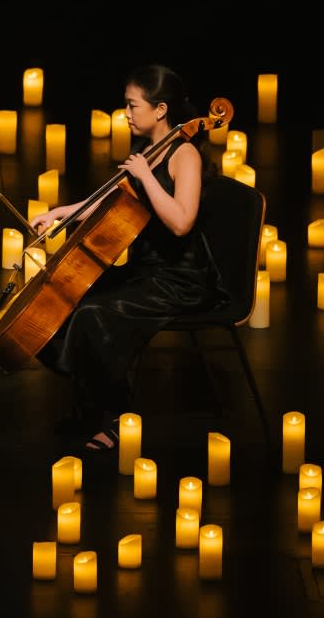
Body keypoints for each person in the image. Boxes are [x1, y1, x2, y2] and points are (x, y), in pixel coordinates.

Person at [30, 63, 222, 455]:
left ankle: (115, 419)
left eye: (134, 106)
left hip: (180, 279)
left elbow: (182, 223)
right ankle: (92, 406)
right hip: (146, 271)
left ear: (161, 110)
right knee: (68, 299)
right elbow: (110, 199)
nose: (127, 113)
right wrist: (60, 213)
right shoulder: (147, 149)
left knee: (93, 315)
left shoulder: (184, 156)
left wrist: (147, 177)